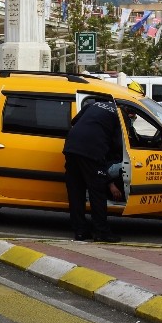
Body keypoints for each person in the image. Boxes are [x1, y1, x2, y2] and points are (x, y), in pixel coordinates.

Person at [62, 96, 125, 243]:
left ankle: (80, 231)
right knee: (97, 192)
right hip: (91, 152)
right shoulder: (120, 115)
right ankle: (101, 232)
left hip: (71, 147)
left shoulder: (93, 105)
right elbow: (118, 145)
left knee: (76, 192)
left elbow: (74, 121)